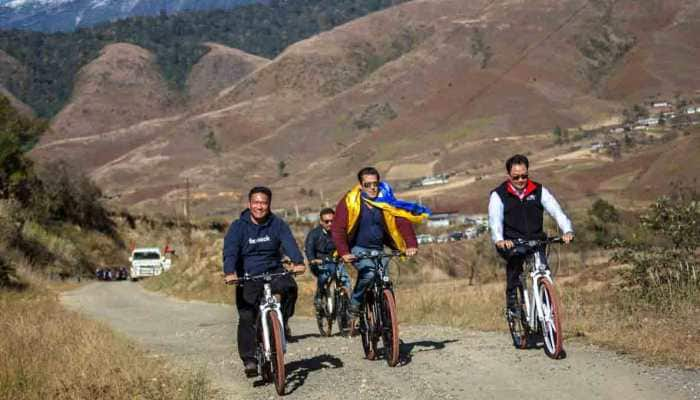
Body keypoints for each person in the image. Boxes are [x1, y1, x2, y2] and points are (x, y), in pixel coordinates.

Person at [222, 186, 306, 378]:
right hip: (248, 275)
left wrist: (298, 262)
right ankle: (250, 359)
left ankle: (281, 321)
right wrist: (230, 272)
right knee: (246, 317)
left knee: (290, 287)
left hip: (274, 270)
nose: (260, 206)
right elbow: (230, 251)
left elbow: (289, 243)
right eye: (256, 202)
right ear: (250, 204)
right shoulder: (238, 226)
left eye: (264, 203)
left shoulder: (277, 224)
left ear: (269, 205)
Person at [331, 166, 429, 320]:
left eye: (375, 184)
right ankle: (355, 303)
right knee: (368, 273)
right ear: (361, 185)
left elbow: (401, 220)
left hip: (379, 248)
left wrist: (411, 245)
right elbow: (338, 228)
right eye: (367, 184)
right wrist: (344, 252)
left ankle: (388, 323)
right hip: (357, 248)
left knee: (385, 280)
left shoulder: (386, 200)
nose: (372, 188)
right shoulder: (350, 201)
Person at [488, 154, 574, 317]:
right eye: (516, 177)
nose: (521, 180)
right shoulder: (498, 195)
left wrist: (567, 231)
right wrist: (499, 239)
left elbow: (557, 211)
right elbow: (495, 221)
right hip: (511, 242)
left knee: (543, 270)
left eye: (524, 176)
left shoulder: (539, 190)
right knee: (515, 261)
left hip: (536, 240)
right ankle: (513, 301)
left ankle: (546, 310)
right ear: (509, 176)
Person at [304, 208, 352, 324]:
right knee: (324, 276)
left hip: (335, 261)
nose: (330, 223)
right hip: (320, 263)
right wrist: (312, 260)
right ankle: (319, 297)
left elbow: (346, 244)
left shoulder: (340, 232)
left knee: (346, 280)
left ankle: (345, 309)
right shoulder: (314, 234)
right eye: (326, 221)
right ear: (321, 222)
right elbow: (309, 249)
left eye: (332, 220)